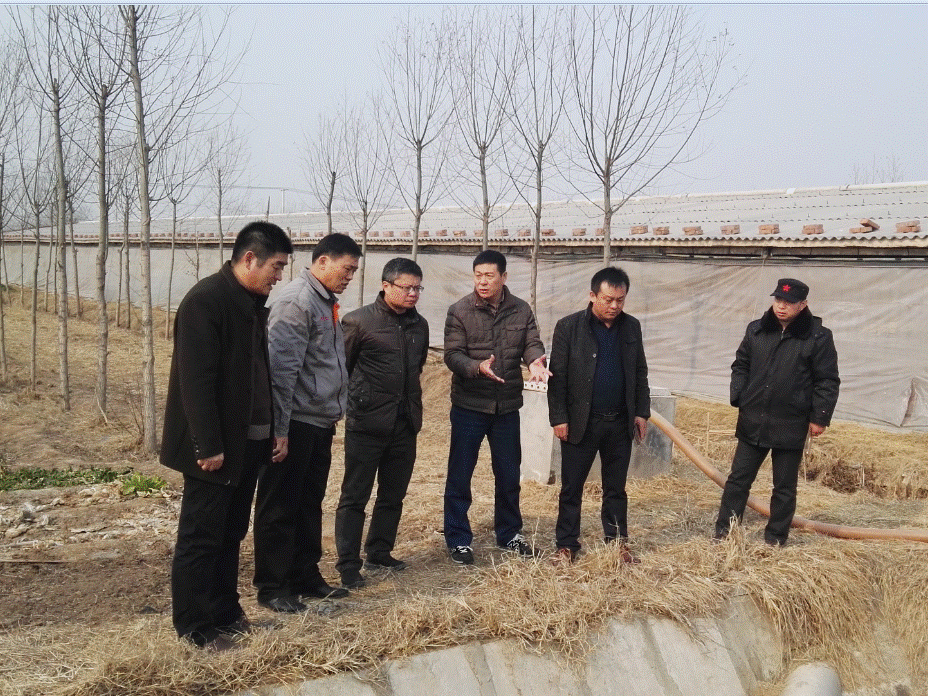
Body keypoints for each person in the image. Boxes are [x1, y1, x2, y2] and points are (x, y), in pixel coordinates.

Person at [161, 221, 292, 651]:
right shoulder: (207, 301)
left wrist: (271, 430)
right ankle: (195, 627)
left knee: (231, 530)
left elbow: (257, 374)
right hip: (216, 448)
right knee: (201, 536)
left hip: (248, 441)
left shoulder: (250, 302)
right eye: (276, 266)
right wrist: (208, 444)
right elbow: (195, 381)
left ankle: (225, 612)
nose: (279, 276)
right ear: (250, 259)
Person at [253, 232, 362, 612]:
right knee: (280, 505)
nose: (350, 277)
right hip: (295, 421)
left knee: (308, 502)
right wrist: (280, 429)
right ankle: (273, 585)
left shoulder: (324, 301)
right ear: (323, 261)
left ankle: (304, 574)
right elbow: (281, 373)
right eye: (347, 269)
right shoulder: (296, 301)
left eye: (354, 271)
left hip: (318, 421)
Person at [443, 249, 551, 565]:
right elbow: (452, 355)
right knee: (460, 474)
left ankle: (509, 534)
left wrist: (536, 361)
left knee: (508, 474)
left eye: (489, 276)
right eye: (478, 275)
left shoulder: (521, 309)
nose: (482, 281)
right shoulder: (459, 311)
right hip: (469, 405)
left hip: (506, 407)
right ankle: (458, 539)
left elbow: (532, 342)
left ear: (503, 277)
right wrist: (476, 367)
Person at [715, 278, 840, 546]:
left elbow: (827, 380)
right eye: (778, 300)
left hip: (791, 421)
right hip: (754, 417)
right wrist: (740, 396)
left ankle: (775, 538)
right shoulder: (757, 330)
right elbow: (741, 364)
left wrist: (819, 417)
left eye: (789, 302)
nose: (781, 306)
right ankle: (724, 533)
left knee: (783, 486)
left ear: (803, 305)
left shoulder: (818, 336)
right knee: (738, 480)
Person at [334, 258, 429, 589]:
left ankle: (379, 551)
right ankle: (348, 564)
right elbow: (342, 369)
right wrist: (355, 405)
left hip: (404, 423)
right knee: (355, 496)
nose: (413, 294)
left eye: (418, 288)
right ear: (386, 286)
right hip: (366, 423)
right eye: (407, 287)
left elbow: (416, 368)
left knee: (393, 494)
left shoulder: (419, 325)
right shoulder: (359, 321)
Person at [547, 267, 650, 565]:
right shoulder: (569, 327)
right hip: (582, 421)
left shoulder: (631, 327)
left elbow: (640, 371)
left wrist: (641, 412)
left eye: (620, 300)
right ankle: (567, 545)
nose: (614, 306)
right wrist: (559, 417)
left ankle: (617, 543)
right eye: (608, 299)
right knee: (572, 488)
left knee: (616, 488)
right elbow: (558, 377)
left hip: (619, 421)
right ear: (592, 296)